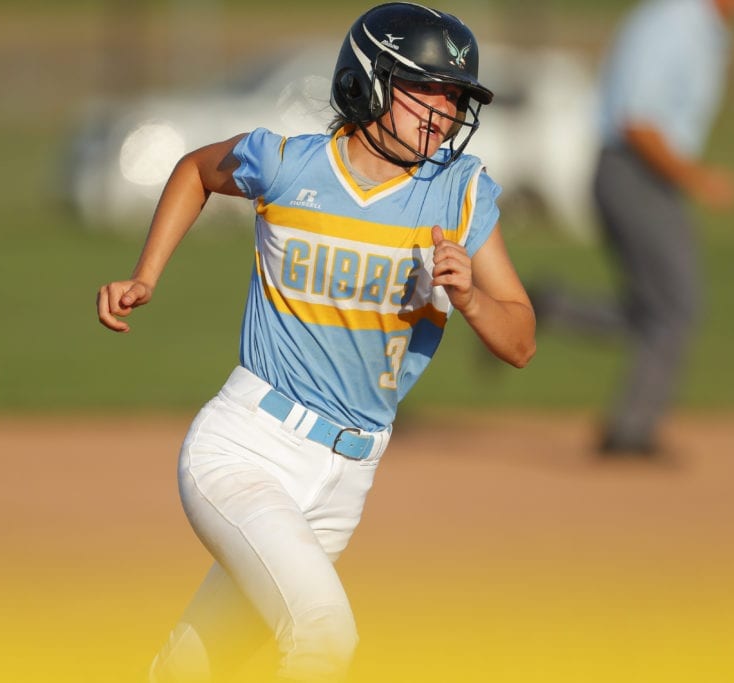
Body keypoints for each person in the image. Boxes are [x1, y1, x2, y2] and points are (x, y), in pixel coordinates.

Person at [96, 3, 535, 681]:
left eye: (455, 97)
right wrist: (146, 273)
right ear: (370, 80)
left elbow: (521, 339)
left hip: (345, 483)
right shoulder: (285, 164)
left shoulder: (459, 193)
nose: (444, 111)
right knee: (324, 634)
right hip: (246, 449)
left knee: (191, 667)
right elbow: (194, 170)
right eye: (427, 89)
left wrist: (472, 296)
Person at [529, 0, 734, 458]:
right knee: (674, 308)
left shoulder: (702, 27)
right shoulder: (673, 23)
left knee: (658, 308)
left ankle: (549, 308)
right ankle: (631, 430)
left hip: (644, 176)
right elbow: (637, 122)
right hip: (634, 172)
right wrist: (698, 178)